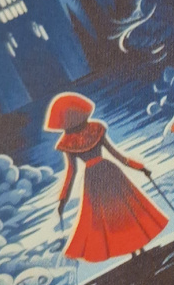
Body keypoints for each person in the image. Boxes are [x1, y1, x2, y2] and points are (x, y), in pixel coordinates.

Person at [45, 92, 167, 263]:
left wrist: (62, 200)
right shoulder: (96, 129)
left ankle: (134, 252)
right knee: (127, 210)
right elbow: (118, 156)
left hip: (93, 180)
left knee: (109, 218)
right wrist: (140, 168)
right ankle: (138, 249)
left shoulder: (68, 142)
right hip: (110, 172)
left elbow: (71, 173)